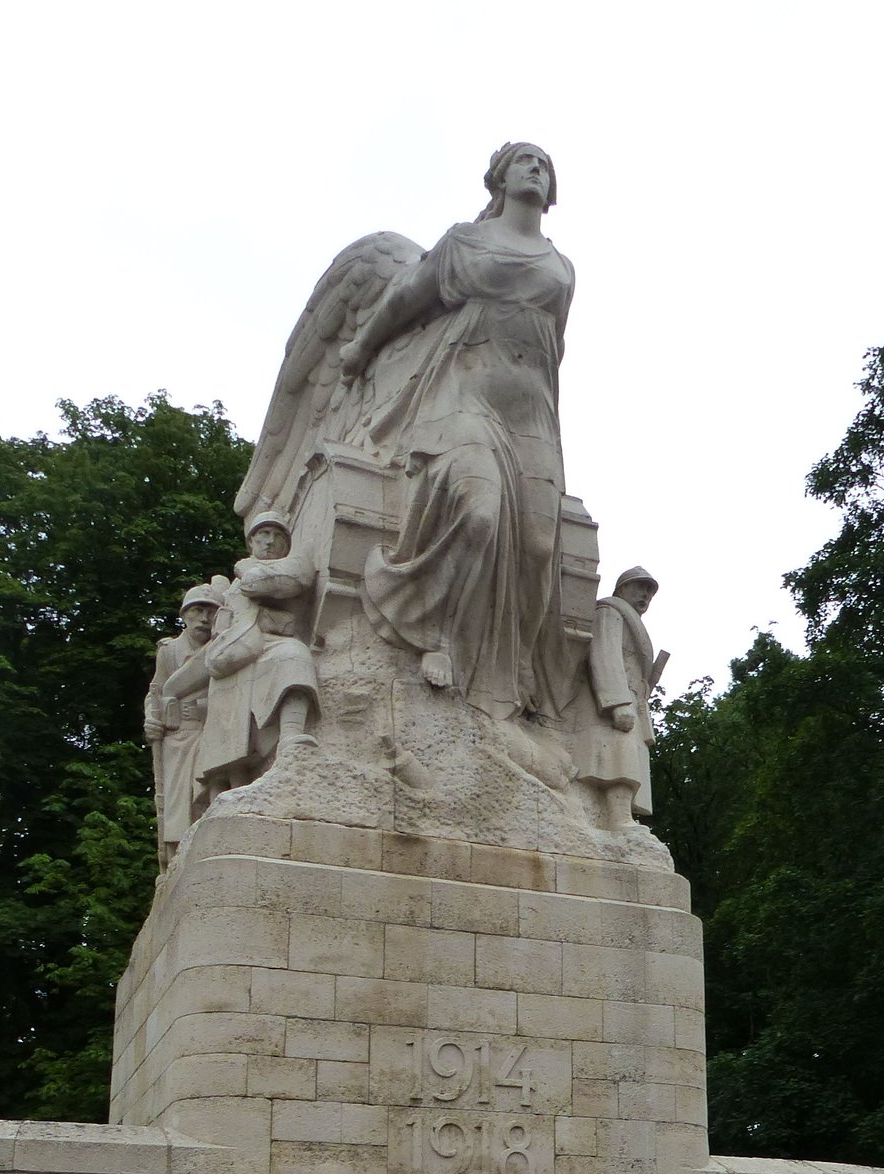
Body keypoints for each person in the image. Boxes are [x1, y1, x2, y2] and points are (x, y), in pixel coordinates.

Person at [341, 143, 575, 727]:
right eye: (525, 160)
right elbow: (406, 295)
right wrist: (362, 347)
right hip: (463, 397)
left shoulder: (562, 267)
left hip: (533, 413)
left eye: (544, 165)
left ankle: (517, 660)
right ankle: (436, 630)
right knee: (478, 511)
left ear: (554, 190)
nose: (535, 169)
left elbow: (554, 348)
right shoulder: (464, 244)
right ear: (500, 178)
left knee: (541, 548)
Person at [167, 512, 319, 803]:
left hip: (272, 644)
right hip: (233, 653)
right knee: (223, 712)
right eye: (263, 534)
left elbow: (268, 584)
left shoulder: (291, 565)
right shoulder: (236, 582)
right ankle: (225, 790)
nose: (270, 540)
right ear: (251, 540)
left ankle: (291, 738)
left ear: (288, 542)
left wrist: (248, 568)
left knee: (294, 656)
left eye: (277, 535)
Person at [575, 567, 664, 831]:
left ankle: (619, 817)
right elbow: (605, 654)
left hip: (632, 700)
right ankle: (617, 818)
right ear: (621, 589)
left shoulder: (630, 620)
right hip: (612, 703)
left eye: (650, 591)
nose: (646, 595)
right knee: (617, 758)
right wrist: (617, 703)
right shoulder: (609, 612)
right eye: (640, 587)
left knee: (628, 757)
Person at [144, 581, 225, 867]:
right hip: (177, 733)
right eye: (198, 610)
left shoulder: (223, 648)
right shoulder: (169, 651)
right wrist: (151, 718)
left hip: (211, 728)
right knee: (177, 801)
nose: (204, 618)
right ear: (185, 614)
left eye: (211, 612)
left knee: (206, 791)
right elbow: (156, 690)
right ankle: (177, 856)